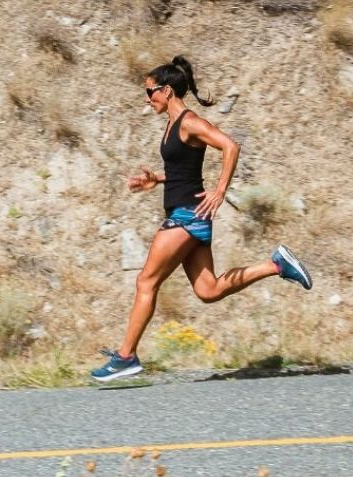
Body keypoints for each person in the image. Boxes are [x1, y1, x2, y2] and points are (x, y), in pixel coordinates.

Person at [91, 55, 314, 382]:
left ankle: (126, 357)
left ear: (167, 91)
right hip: (188, 214)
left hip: (187, 215)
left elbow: (230, 145)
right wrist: (158, 180)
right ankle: (276, 265)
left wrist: (220, 190)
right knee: (208, 290)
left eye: (150, 92)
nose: (147, 98)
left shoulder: (189, 121)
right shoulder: (172, 124)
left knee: (145, 282)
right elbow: (184, 170)